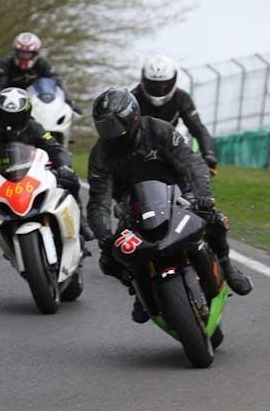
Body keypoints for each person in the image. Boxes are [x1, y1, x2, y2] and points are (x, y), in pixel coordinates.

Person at [87, 87, 252, 323]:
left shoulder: (158, 129)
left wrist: (201, 196)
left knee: (212, 218)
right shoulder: (100, 154)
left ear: (132, 116)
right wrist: (103, 234)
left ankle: (226, 265)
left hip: (177, 193)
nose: (110, 133)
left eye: (114, 125)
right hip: (132, 207)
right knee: (110, 259)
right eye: (104, 127)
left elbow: (192, 163)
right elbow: (98, 200)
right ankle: (139, 289)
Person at [0, 87, 94, 241]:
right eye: (5, 116)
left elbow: (56, 149)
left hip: (32, 177)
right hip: (1, 182)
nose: (10, 124)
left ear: (26, 114)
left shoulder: (35, 128)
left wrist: (63, 166)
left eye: (15, 118)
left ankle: (81, 221)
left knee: (69, 178)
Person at [133, 56, 218, 170]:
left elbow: (198, 128)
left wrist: (208, 154)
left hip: (170, 144)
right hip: (138, 149)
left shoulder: (182, 98)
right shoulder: (133, 98)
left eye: (163, 84)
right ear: (143, 80)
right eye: (153, 84)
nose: (158, 89)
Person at [0, 32, 80, 115]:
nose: (24, 57)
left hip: (35, 103)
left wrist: (69, 101)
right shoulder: (7, 63)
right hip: (10, 100)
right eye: (21, 53)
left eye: (28, 54)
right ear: (16, 52)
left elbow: (57, 81)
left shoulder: (42, 63)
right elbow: (0, 85)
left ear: (35, 54)